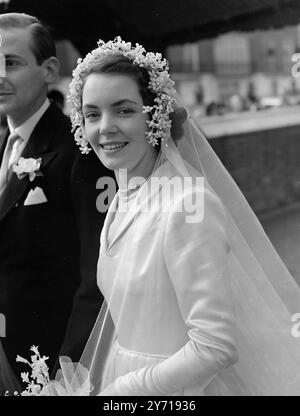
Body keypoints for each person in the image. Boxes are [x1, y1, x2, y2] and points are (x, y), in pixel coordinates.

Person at [18, 37, 300, 396]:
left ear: (156, 115)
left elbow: (214, 346)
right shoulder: (121, 198)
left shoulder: (188, 204)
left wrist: (125, 390)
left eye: (123, 110)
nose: (105, 127)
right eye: (92, 114)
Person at [0, 13, 108, 393]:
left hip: (47, 362)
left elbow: (98, 274)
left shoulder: (80, 152)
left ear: (49, 70)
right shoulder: (5, 145)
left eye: (10, 63)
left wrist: (69, 370)